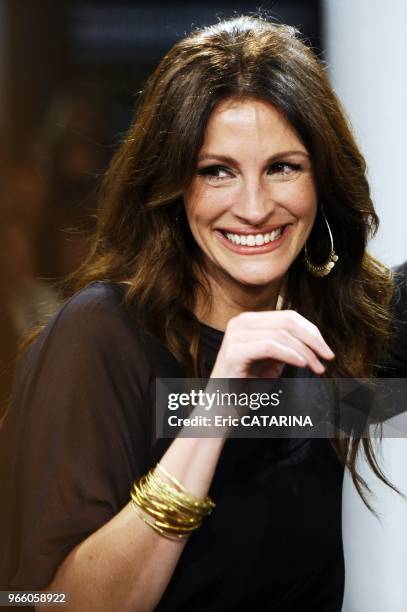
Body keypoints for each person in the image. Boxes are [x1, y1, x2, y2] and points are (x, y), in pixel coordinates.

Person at [0, 15, 402, 612]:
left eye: (283, 167)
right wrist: (215, 406)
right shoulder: (101, 337)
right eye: (217, 172)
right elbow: (45, 603)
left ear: (323, 181)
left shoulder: (340, 337)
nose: (255, 207)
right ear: (172, 186)